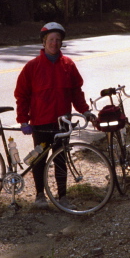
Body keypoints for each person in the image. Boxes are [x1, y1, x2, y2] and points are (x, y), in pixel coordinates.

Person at [15, 22, 95, 208]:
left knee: (60, 159)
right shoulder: (32, 66)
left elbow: (76, 91)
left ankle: (62, 197)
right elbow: (22, 95)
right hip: (40, 123)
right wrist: (23, 120)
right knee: (39, 159)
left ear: (61, 43)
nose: (54, 43)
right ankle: (40, 196)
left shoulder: (68, 65)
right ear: (44, 42)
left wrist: (85, 110)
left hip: (62, 122)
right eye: (51, 39)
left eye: (58, 40)